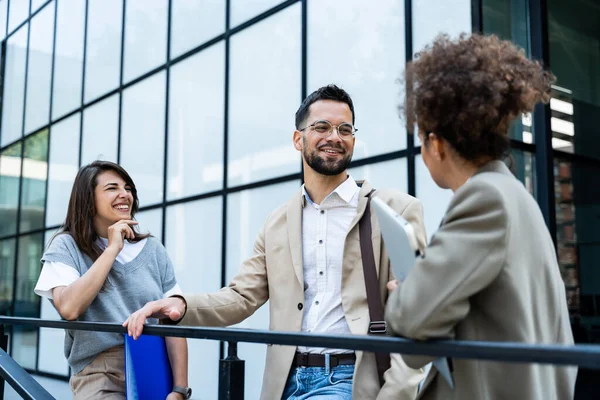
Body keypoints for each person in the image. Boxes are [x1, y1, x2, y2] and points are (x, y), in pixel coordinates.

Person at [125, 85, 427, 399]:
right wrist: (181, 305)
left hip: (350, 380)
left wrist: (397, 393)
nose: (334, 137)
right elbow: (241, 297)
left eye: (345, 129)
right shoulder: (278, 222)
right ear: (298, 139)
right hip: (284, 382)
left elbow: (419, 314)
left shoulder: (395, 211)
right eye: (321, 127)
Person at [385, 33, 577, 399]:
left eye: (422, 140)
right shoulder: (513, 195)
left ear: (436, 143)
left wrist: (406, 292)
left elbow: (409, 318)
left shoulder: (483, 199)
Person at [34, 161, 190, 400]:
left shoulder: (153, 248)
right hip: (100, 374)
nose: (124, 194)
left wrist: (179, 390)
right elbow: (69, 307)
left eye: (128, 188)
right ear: (88, 198)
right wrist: (112, 248)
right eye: (112, 188)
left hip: (153, 368)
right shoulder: (66, 246)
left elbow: (172, 320)